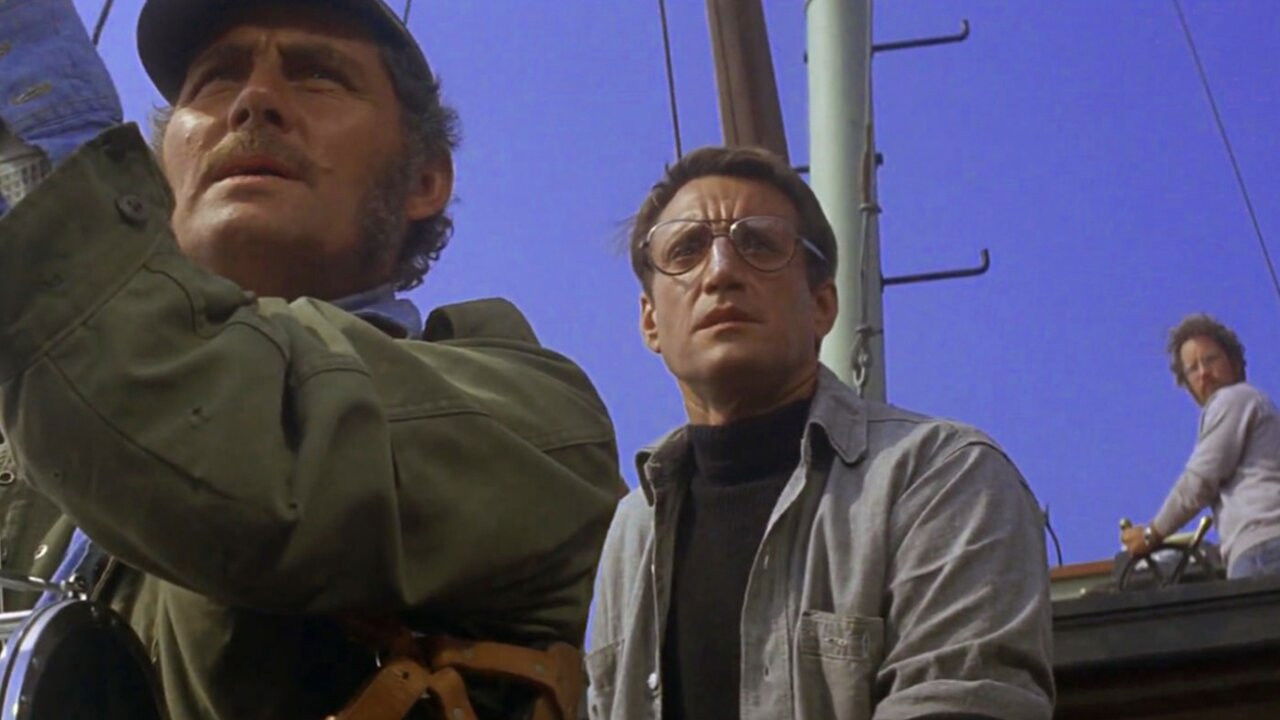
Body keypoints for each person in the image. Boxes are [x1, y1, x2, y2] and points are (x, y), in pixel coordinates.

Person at [0, 1, 624, 717]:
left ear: (425, 180)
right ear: (161, 167)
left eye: (318, 76)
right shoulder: (32, 418)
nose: (254, 101)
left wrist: (41, 148)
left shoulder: (538, 424)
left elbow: (224, 451)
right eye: (215, 78)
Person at [586, 146, 1054, 720]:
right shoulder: (633, 532)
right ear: (650, 321)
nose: (721, 270)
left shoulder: (940, 478)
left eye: (758, 243)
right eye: (686, 250)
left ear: (822, 304)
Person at [1122, 314, 1280, 580]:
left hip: (1264, 548)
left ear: (1233, 362)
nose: (1203, 373)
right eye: (1193, 368)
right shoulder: (1256, 405)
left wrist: (1151, 534)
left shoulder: (1235, 398)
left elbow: (1199, 480)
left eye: (1210, 359)